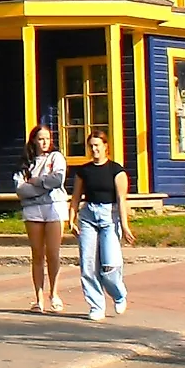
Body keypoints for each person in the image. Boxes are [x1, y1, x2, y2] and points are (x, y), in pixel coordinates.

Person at [66, 132, 135, 322]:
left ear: (106, 146)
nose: (94, 150)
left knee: (110, 264)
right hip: (88, 216)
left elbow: (121, 200)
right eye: (91, 146)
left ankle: (119, 294)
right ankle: (96, 305)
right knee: (88, 264)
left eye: (98, 145)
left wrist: (125, 226)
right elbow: (76, 197)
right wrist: (71, 219)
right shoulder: (83, 171)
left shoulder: (116, 171)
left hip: (109, 217)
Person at [14, 125, 68, 312]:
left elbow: (57, 180)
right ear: (34, 140)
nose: (44, 142)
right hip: (33, 209)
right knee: (37, 253)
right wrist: (42, 187)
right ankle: (38, 297)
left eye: (47, 138)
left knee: (53, 253)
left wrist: (37, 182)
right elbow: (20, 189)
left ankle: (54, 293)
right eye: (40, 139)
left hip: (54, 206)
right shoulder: (26, 163)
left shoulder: (56, 157)